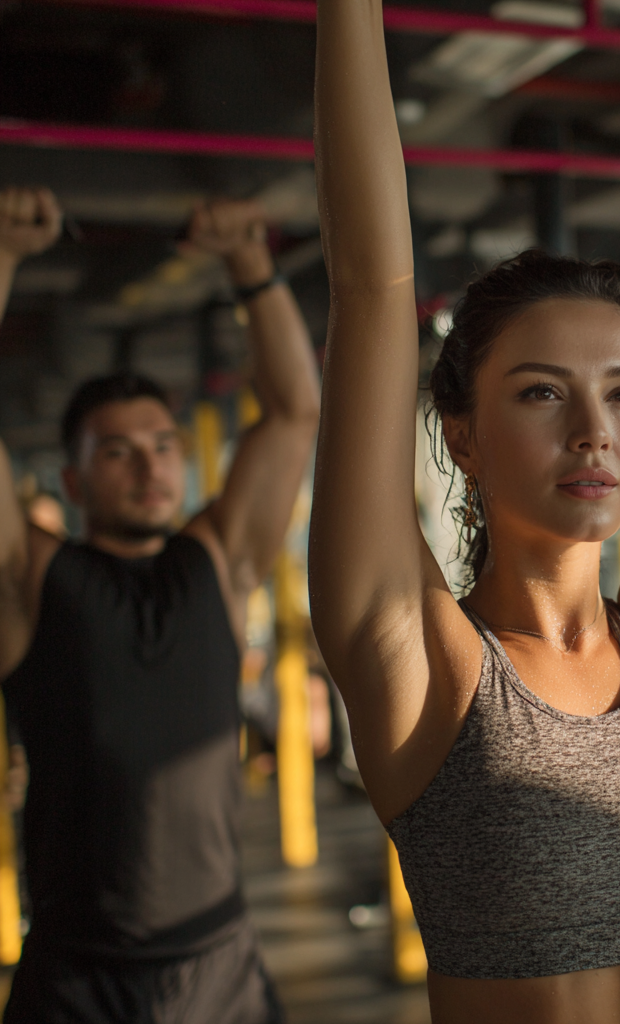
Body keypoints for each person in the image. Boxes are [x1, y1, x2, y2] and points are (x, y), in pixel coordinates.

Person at [308, 0, 620, 1019]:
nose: (595, 431)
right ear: (461, 436)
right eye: (540, 391)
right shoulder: (421, 661)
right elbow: (370, 291)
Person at [0, 187, 321, 1023]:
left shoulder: (217, 562)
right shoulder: (30, 581)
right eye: (117, 452)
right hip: (78, 978)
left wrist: (251, 261)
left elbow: (294, 411)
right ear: (72, 483)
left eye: (162, 447)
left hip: (219, 968)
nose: (149, 469)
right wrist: (0, 258)